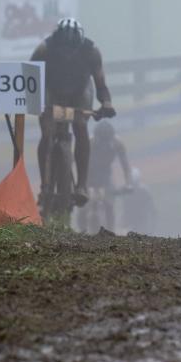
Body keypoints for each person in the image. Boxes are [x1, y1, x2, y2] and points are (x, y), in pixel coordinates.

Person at [31, 18, 116, 206]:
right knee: (47, 130)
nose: (67, 54)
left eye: (71, 50)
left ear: (80, 45)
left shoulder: (92, 52)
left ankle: (81, 185)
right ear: (56, 43)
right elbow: (31, 82)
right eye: (62, 49)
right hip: (51, 92)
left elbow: (101, 85)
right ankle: (45, 184)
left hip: (80, 93)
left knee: (80, 126)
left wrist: (107, 103)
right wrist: (36, 107)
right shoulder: (43, 50)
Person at [77, 119, 132, 232]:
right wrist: (80, 185)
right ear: (96, 137)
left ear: (111, 138)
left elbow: (125, 166)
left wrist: (128, 184)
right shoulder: (89, 143)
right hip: (89, 174)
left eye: (106, 141)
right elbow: (80, 164)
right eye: (101, 141)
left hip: (105, 175)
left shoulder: (118, 144)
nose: (103, 145)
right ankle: (81, 232)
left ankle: (111, 232)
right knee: (84, 205)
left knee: (109, 204)